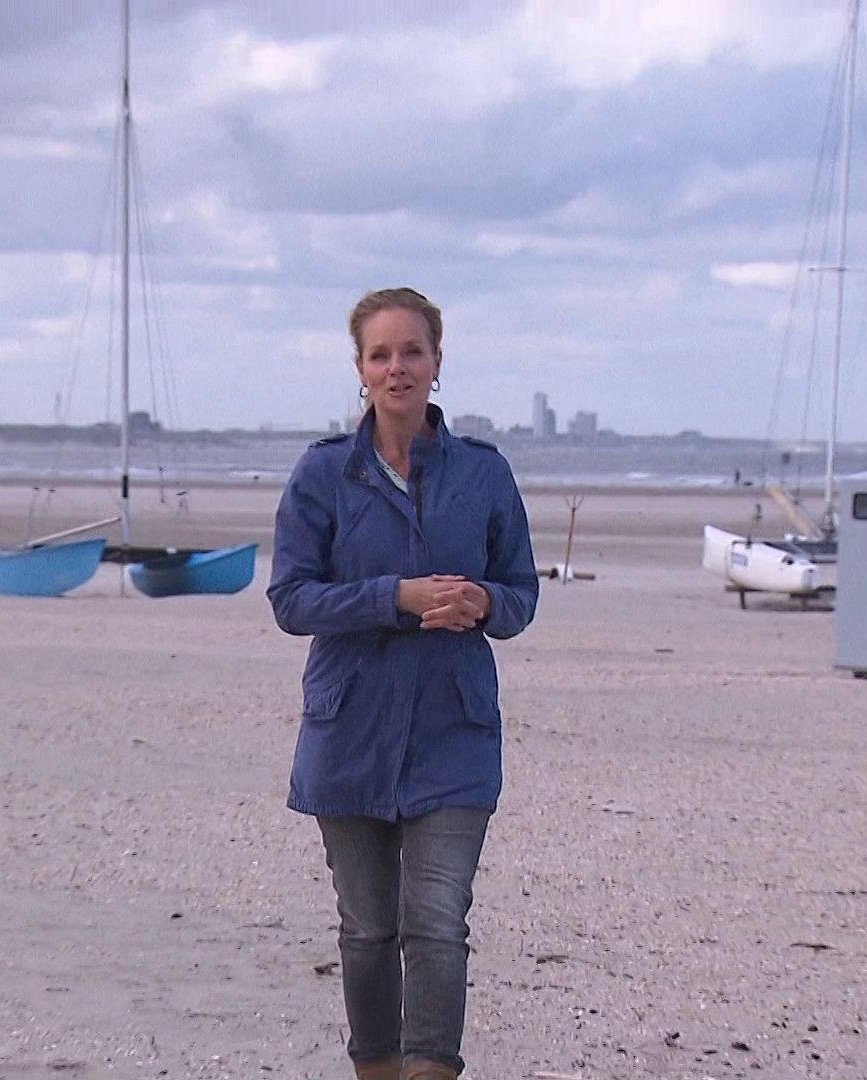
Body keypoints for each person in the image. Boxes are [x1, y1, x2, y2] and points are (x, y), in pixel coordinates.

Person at [268, 288, 539, 1080]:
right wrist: (396, 597)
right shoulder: (324, 474)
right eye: (381, 354)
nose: (397, 368)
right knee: (366, 930)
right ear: (360, 369)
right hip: (349, 731)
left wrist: (485, 602)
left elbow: (520, 594)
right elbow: (291, 600)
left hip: (453, 731)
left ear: (437, 362)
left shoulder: (483, 474)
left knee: (438, 921)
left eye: (411, 351)